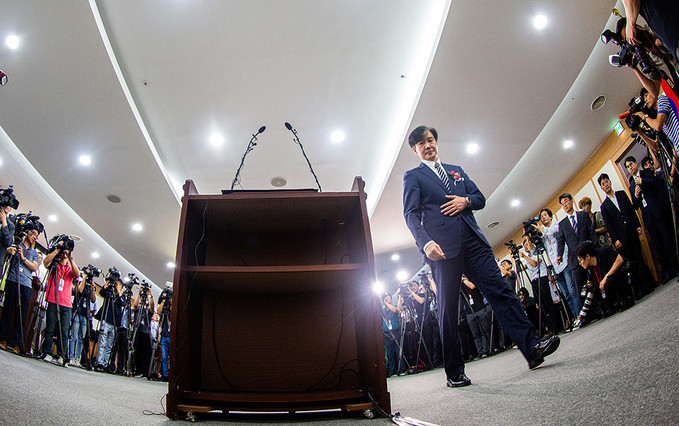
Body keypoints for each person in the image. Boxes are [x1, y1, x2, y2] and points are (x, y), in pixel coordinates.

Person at [403, 125, 559, 388]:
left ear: (436, 142)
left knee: (501, 291)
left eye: (430, 140)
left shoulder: (456, 170)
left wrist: (465, 201)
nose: (427, 145)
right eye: (421, 143)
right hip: (443, 250)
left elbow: (479, 198)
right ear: (415, 150)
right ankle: (454, 372)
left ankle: (532, 348)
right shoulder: (413, 176)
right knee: (448, 310)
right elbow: (410, 214)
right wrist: (425, 242)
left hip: (474, 243)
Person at [598, 173, 654, 296]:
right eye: (603, 184)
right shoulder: (604, 206)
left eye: (606, 181)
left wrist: (638, 225)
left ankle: (648, 284)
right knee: (631, 264)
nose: (606, 185)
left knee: (639, 258)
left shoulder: (621, 194)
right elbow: (609, 225)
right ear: (601, 188)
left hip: (632, 230)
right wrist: (615, 239)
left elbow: (631, 210)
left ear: (610, 182)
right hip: (621, 238)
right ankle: (638, 291)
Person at [626, 156, 678, 282]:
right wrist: (636, 195)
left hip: (658, 212)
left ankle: (675, 267)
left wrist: (642, 181)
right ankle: (666, 272)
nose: (630, 168)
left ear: (635, 163)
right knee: (658, 245)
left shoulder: (646, 173)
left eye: (631, 164)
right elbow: (635, 205)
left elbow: (656, 184)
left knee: (667, 240)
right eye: (627, 167)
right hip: (648, 219)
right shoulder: (631, 186)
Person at [40, 237, 80, 365]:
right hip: (53, 300)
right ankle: (47, 352)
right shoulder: (55, 263)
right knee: (50, 328)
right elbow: (45, 263)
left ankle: (61, 356)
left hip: (66, 304)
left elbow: (77, 275)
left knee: (64, 332)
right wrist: (58, 249)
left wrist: (70, 258)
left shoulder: (69, 267)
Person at [0, 227, 40, 354]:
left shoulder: (34, 253)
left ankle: (17, 344)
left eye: (36, 237)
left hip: (26, 285)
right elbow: (6, 254)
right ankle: (3, 340)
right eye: (33, 234)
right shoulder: (17, 244)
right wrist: (9, 251)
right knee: (7, 311)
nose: (34, 238)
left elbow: (34, 267)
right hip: (13, 280)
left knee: (21, 315)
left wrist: (23, 257)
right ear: (28, 233)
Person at [539, 208, 580, 319]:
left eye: (545, 215)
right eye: (541, 217)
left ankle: (580, 316)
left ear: (551, 216)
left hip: (565, 263)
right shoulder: (543, 236)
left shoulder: (557, 225)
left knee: (572, 291)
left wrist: (539, 228)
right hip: (555, 268)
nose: (543, 218)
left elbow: (552, 232)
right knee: (566, 295)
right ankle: (575, 317)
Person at [556, 193, 596, 294]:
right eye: (562, 204)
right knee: (580, 289)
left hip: (588, 255)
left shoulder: (583, 215)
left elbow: (591, 231)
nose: (565, 205)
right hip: (574, 260)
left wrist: (595, 247)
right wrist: (559, 255)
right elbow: (560, 241)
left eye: (566, 201)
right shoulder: (562, 224)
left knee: (594, 283)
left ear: (572, 201)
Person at [68, 267, 97, 366]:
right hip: (77, 312)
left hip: (85, 315)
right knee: (73, 336)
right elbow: (80, 290)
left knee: (81, 338)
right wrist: (84, 278)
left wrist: (92, 288)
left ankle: (77, 358)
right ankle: (71, 357)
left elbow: (93, 300)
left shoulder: (89, 286)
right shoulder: (80, 281)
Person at [380, 293, 403, 377]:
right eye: (385, 298)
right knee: (390, 353)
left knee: (398, 351)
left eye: (388, 297)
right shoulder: (382, 310)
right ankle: (392, 371)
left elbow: (396, 310)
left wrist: (386, 303)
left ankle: (401, 369)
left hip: (396, 331)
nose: (387, 299)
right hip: (387, 334)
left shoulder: (394, 307)